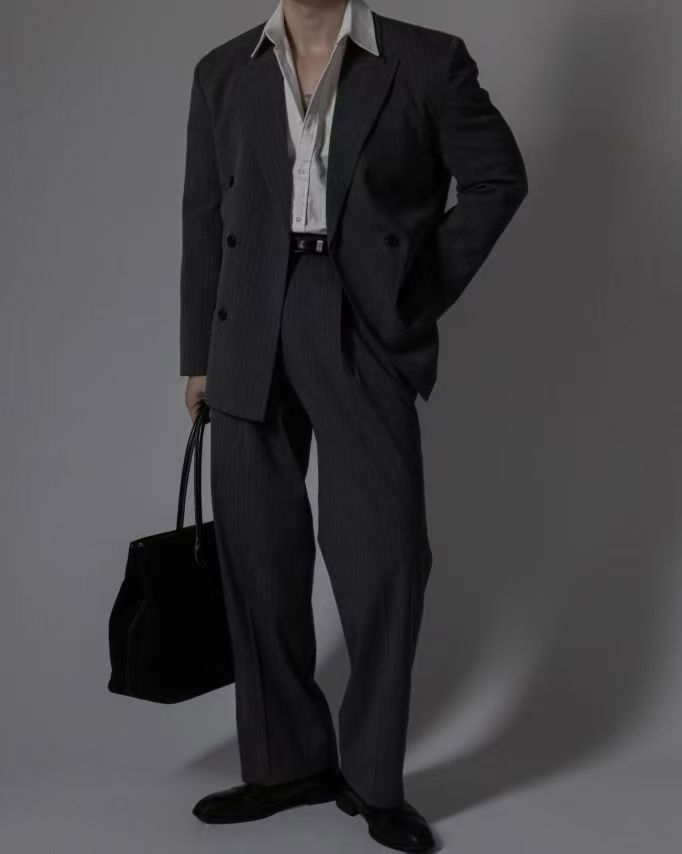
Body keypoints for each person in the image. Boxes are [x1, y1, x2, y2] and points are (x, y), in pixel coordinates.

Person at [180, 0, 528, 850]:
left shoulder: (427, 60)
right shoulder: (222, 72)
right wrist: (197, 356)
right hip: (245, 323)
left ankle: (373, 780)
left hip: (359, 315)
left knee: (385, 556)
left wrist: (409, 290)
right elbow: (203, 215)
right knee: (257, 552)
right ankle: (284, 764)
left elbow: (498, 178)